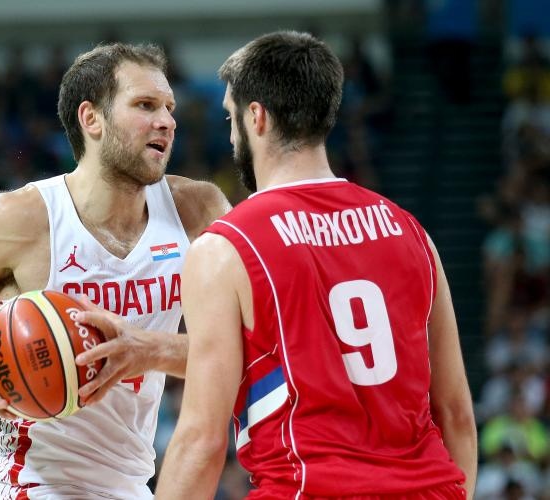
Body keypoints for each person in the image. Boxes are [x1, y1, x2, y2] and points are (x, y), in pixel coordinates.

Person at [0, 42, 230, 499]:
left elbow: (251, 345)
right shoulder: (13, 218)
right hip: (34, 482)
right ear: (92, 119)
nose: (166, 121)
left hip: (132, 484)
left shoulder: (199, 211)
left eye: (169, 108)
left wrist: (148, 350)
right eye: (145, 105)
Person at [155, 31, 478, 499]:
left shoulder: (226, 247)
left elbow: (202, 440)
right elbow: (456, 414)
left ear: (256, 117)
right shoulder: (412, 233)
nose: (230, 135)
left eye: (231, 118)